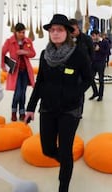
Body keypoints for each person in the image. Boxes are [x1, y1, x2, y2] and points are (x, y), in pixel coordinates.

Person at [25, 14, 92, 192]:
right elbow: (40, 83)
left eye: (59, 30)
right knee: (47, 149)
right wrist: (30, 108)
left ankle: (63, 186)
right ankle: (67, 164)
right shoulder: (45, 54)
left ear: (68, 33)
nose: (55, 33)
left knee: (65, 149)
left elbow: (88, 79)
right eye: (52, 30)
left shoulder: (79, 53)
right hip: (47, 107)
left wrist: (74, 93)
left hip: (70, 110)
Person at [1, 23, 36, 121]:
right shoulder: (9, 41)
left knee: (23, 92)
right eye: (20, 32)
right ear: (15, 32)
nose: (22, 34)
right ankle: (13, 111)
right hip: (15, 71)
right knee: (18, 93)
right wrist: (3, 66)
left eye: (23, 32)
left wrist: (24, 52)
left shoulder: (28, 41)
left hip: (25, 71)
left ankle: (22, 113)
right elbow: (2, 53)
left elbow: (33, 53)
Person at [89, 29, 110, 101]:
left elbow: (108, 52)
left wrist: (99, 49)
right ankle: (95, 92)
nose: (93, 37)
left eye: (94, 36)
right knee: (90, 78)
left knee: (101, 79)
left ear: (98, 35)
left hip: (101, 63)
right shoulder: (91, 42)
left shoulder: (105, 42)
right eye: (92, 36)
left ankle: (100, 95)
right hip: (93, 63)